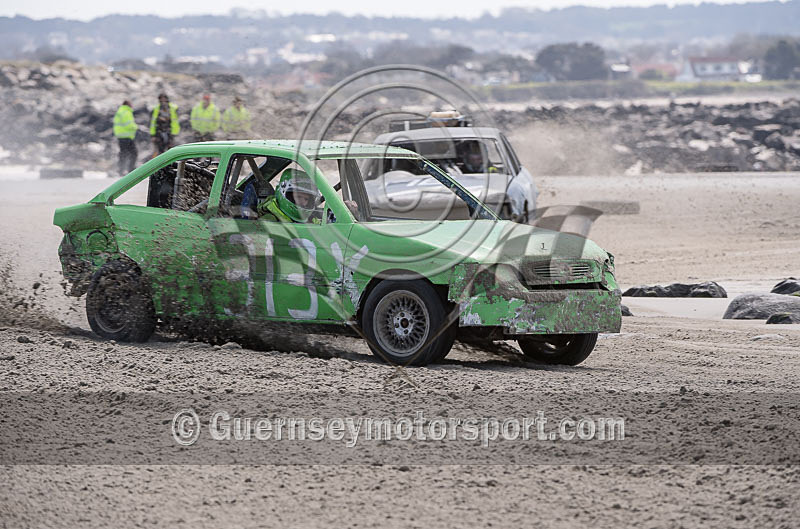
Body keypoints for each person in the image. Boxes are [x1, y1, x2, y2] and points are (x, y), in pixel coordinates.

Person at [256, 169, 321, 224]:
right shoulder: (270, 221)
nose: (302, 202)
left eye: (306, 199)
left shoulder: (311, 220)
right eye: (298, 197)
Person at [113, 100, 138, 175]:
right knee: (134, 153)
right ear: (128, 105)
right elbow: (129, 124)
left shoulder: (119, 111)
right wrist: (136, 127)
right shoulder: (127, 112)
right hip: (127, 136)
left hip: (120, 136)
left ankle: (121, 169)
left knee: (123, 153)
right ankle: (131, 169)